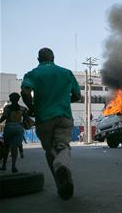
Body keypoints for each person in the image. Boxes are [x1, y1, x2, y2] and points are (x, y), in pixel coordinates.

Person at [21, 47, 81, 200]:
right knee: (63, 147)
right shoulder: (66, 73)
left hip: (44, 119)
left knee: (50, 152)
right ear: (53, 58)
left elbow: (25, 92)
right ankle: (64, 173)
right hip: (64, 116)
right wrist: (64, 101)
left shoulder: (33, 74)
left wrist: (32, 108)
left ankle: (61, 186)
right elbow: (77, 95)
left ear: (38, 60)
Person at [0, 93, 28, 173]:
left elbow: (3, 118)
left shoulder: (7, 108)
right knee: (14, 148)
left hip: (9, 127)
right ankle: (13, 166)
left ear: (10, 99)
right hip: (18, 128)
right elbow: (26, 119)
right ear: (18, 99)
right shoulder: (23, 109)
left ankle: (4, 165)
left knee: (6, 147)